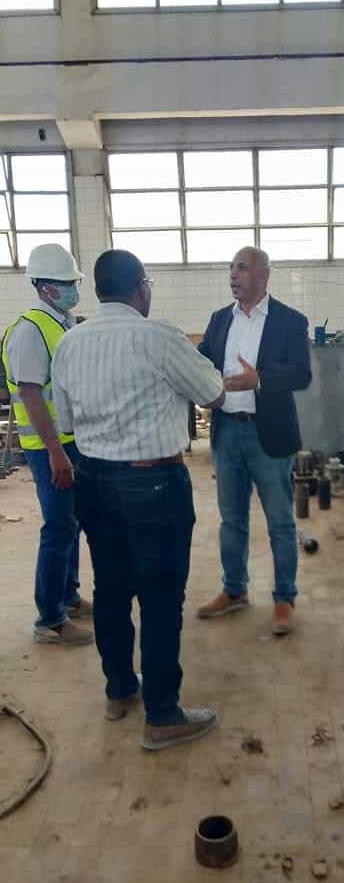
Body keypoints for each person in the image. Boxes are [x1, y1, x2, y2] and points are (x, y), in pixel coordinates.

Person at [51, 249, 225, 751]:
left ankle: (120, 689)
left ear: (97, 290)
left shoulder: (70, 342)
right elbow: (212, 391)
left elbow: (67, 422)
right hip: (153, 485)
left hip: (93, 481)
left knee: (110, 590)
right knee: (161, 598)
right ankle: (163, 714)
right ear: (141, 288)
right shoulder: (158, 336)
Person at [196, 246, 312, 635]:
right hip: (227, 431)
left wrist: (258, 379)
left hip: (269, 435)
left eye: (242, 268)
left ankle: (284, 598)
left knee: (280, 521)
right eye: (231, 268)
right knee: (232, 520)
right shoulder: (219, 320)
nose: (233, 275)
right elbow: (201, 361)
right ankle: (234, 590)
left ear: (263, 275)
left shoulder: (289, 321)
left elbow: (301, 375)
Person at [1, 244, 93, 646]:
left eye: (74, 282)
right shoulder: (30, 330)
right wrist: (55, 452)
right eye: (66, 283)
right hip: (48, 447)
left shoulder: (63, 323)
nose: (73, 289)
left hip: (70, 442)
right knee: (57, 526)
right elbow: (30, 393)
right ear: (44, 286)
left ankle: (68, 596)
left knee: (71, 523)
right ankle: (50, 619)